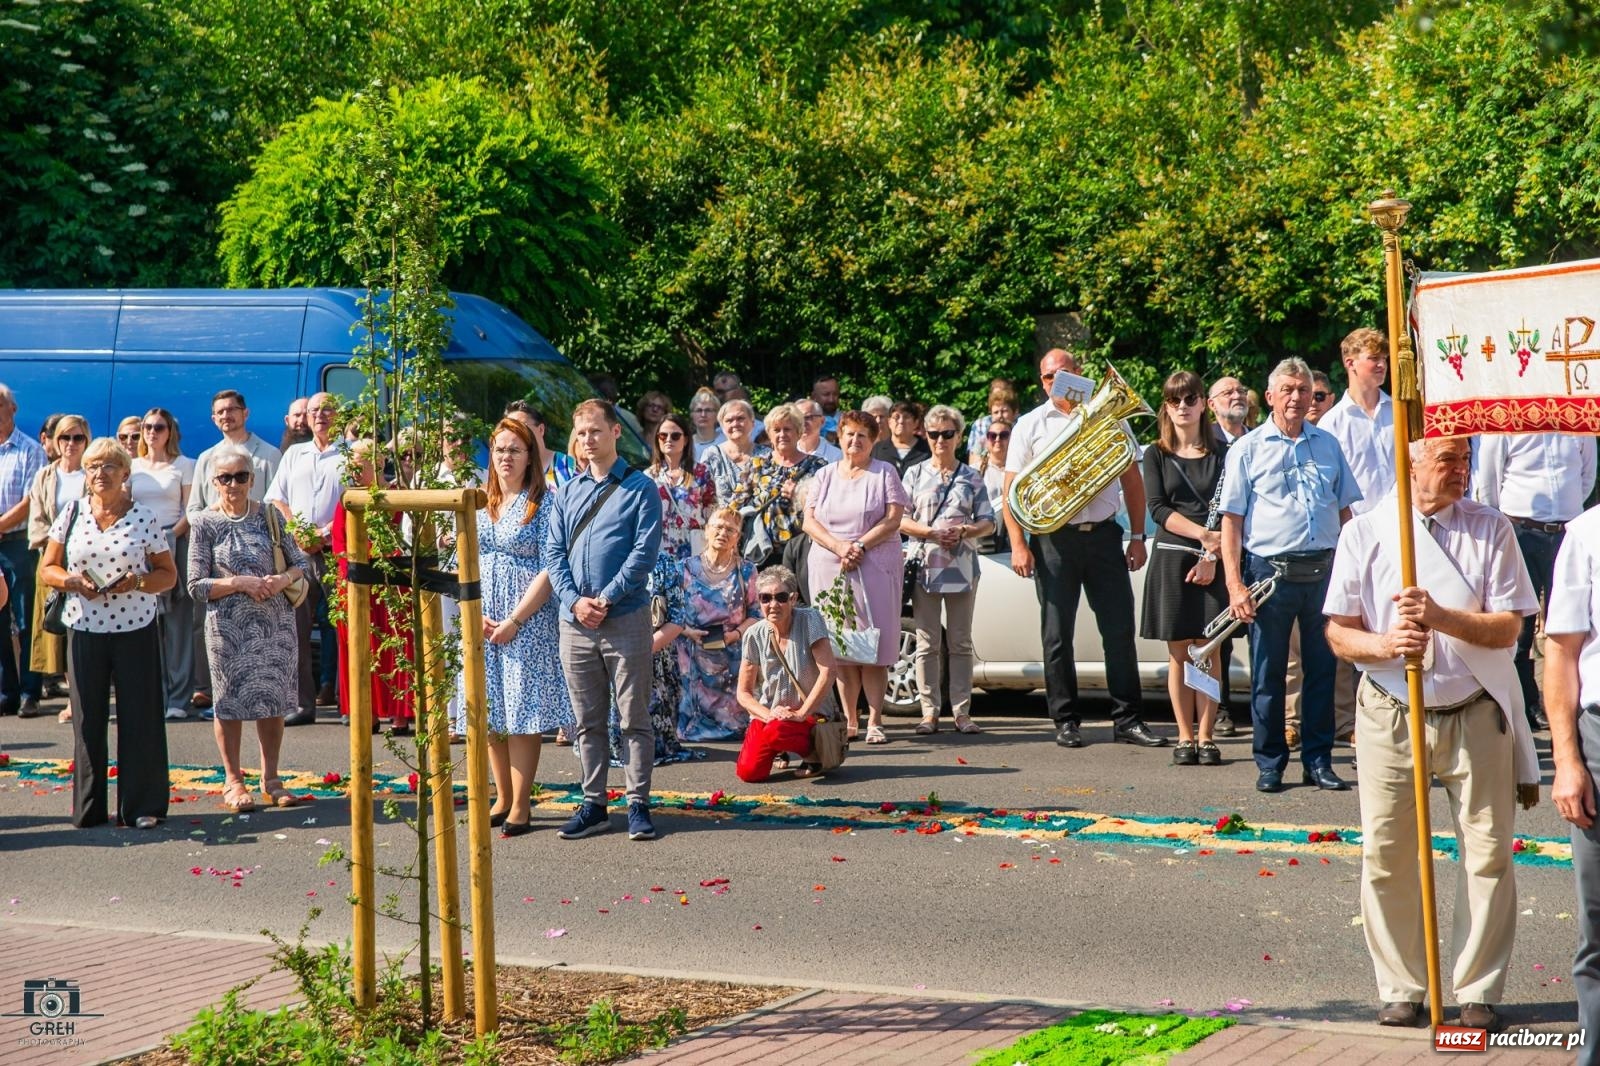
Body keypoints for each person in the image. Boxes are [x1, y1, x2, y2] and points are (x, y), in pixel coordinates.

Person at [1325, 435, 1539, 1033]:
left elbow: (1508, 629)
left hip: (1475, 710)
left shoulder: (1491, 527)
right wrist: (1386, 644)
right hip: (1391, 711)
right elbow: (1339, 633)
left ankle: (1477, 990)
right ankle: (1402, 987)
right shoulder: (1366, 530)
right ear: (1410, 463)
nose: (1459, 471)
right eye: (1445, 460)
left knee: (1489, 855)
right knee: (1388, 854)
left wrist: (1440, 617)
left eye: (1465, 460)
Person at [1002, 350, 1164, 750]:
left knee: (1120, 631)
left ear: (1078, 374)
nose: (1054, 381)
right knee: (1057, 635)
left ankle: (1128, 720)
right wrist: (1019, 544)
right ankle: (1066, 720)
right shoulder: (1029, 425)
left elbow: (1132, 479)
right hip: (1054, 539)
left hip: (1106, 536)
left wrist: (1139, 536)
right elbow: (1011, 492)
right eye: (1046, 377)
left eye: (1062, 373)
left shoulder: (1109, 417)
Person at [1219, 357, 1361, 793]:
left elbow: (1346, 512)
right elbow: (1231, 522)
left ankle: (1318, 761)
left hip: (1322, 570)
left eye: (1305, 390)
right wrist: (1235, 584)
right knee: (1268, 673)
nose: (1297, 398)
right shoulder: (1247, 448)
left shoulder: (1328, 444)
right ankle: (1270, 762)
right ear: (1270, 397)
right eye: (1288, 390)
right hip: (1270, 574)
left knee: (1322, 671)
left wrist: (1355, 571)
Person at [40, 437, 177, 829]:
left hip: (135, 626)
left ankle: (143, 806)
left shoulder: (145, 517)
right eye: (93, 467)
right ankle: (90, 807)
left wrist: (136, 581)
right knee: (87, 719)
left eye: (109, 467)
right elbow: (47, 567)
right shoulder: (72, 512)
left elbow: (168, 576)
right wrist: (70, 581)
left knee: (140, 715)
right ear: (85, 475)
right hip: (84, 626)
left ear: (125, 474)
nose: (100, 474)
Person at [546, 399, 664, 842]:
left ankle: (638, 804)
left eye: (596, 431)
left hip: (626, 617)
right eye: (581, 433)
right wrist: (576, 602)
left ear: (616, 432)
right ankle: (594, 803)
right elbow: (553, 554)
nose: (588, 440)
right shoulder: (567, 492)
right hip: (574, 623)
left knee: (634, 717)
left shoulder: (641, 489)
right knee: (587, 719)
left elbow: (643, 554)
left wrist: (606, 598)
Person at [464, 418, 574, 835]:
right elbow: (466, 557)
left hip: (524, 619)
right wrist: (474, 613)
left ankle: (522, 803)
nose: (506, 457)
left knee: (522, 711)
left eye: (515, 450)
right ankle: (503, 794)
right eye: (499, 450)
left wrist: (514, 620)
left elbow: (551, 567)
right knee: (491, 708)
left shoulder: (545, 502)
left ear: (530, 456)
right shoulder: (481, 501)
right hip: (483, 617)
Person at [188, 442, 311, 811]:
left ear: (252, 480)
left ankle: (271, 778)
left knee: (272, 702)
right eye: (226, 478)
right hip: (228, 628)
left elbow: (300, 562)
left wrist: (279, 579)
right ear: (214, 482)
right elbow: (195, 585)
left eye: (241, 477)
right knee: (228, 703)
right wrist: (240, 582)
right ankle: (233, 780)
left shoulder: (270, 515)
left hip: (274, 624)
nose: (234, 484)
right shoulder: (205, 523)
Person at [1299, 328, 1396, 747]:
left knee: (1395, 625)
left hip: (1400, 533)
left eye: (1384, 358)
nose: (1380, 365)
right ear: (1350, 363)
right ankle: (1350, 722)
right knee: (1351, 627)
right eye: (1372, 358)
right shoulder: (1333, 423)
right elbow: (1332, 490)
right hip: (1355, 538)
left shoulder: (1402, 412)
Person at [1475, 431, 1597, 733]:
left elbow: (1587, 475)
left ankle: (1575, 707)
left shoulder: (1575, 421)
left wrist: (1562, 514)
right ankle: (1524, 704)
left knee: (1571, 627)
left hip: (1566, 533)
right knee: (1519, 629)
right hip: (1521, 531)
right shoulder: (1505, 424)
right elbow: (1489, 482)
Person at [803, 410, 909, 744]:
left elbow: (894, 518)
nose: (855, 440)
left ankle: (875, 720)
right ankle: (851, 720)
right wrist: (838, 546)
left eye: (862, 435)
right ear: (840, 437)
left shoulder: (884, 472)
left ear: (874, 439)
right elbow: (808, 521)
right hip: (829, 565)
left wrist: (859, 546)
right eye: (849, 434)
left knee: (872, 646)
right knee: (842, 648)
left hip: (874, 563)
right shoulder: (825, 475)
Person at [1140, 372, 1228, 766]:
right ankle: (1184, 736)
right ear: (1166, 405)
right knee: (1179, 653)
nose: (1182, 406)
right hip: (1174, 555)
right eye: (1174, 400)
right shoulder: (1154, 453)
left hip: (1215, 557)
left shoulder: (1223, 452)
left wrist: (1211, 554)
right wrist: (1203, 538)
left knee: (1209, 650)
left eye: (1190, 398)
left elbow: (1231, 508)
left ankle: (1207, 737)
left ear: (1203, 404)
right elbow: (1158, 509)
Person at [900, 405, 996, 735]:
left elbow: (989, 522)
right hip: (925, 565)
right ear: (925, 436)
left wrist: (966, 530)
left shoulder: (971, 476)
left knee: (960, 642)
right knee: (926, 643)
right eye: (934, 434)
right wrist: (930, 532)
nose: (940, 440)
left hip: (962, 566)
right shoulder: (913, 473)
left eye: (947, 433)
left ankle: (961, 711)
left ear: (958, 436)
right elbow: (899, 519)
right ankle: (929, 712)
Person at [188, 390, 283, 716]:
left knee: (264, 649)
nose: (226, 416)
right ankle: (208, 691)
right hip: (217, 566)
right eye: (219, 412)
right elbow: (194, 510)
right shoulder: (205, 459)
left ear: (246, 413)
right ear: (213, 419)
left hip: (263, 569)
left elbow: (277, 508)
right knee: (212, 636)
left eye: (232, 409)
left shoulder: (268, 455)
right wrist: (213, 532)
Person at [1545, 496, 1600, 1060]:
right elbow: (1560, 655)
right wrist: (1567, 759)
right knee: (1599, 920)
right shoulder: (1586, 534)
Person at [264, 392, 343, 724]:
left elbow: (357, 498)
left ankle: (349, 704)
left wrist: (323, 533)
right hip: (298, 554)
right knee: (295, 628)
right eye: (315, 410)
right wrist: (298, 531)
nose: (321, 415)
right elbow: (276, 498)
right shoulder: (294, 454)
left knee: (343, 628)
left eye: (327, 409)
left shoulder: (351, 455)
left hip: (339, 550)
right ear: (306, 417)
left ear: (338, 415)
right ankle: (302, 705)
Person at [331, 439, 415, 732]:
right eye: (350, 464)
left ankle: (399, 713)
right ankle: (364, 711)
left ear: (378, 464)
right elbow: (339, 544)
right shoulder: (348, 497)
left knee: (394, 647)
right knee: (358, 649)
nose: (353, 470)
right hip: (355, 582)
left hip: (390, 582)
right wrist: (351, 578)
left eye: (359, 464)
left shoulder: (395, 495)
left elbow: (401, 539)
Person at [735, 566, 840, 781]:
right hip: (772, 715)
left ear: (793, 599)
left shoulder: (809, 619)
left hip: (810, 714)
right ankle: (779, 746)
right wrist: (769, 715)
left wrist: (801, 713)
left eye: (781, 597)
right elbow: (743, 693)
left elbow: (828, 671)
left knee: (778, 732)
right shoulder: (754, 634)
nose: (773, 605)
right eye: (766, 598)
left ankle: (813, 756)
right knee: (748, 773)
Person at [128, 407, 197, 721]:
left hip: (174, 542)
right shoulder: (131, 467)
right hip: (138, 548)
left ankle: (179, 699)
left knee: (178, 625)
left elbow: (190, 510)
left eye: (159, 427)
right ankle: (154, 694)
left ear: (170, 432)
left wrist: (167, 539)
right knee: (145, 622)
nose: (152, 432)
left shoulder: (185, 465)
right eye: (147, 427)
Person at [609, 551, 701, 767]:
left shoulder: (663, 561)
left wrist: (640, 650)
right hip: (611, 650)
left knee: (648, 744)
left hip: (653, 654)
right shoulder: (605, 554)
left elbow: (677, 619)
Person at [676, 507, 759, 741]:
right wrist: (686, 630)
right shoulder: (684, 568)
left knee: (733, 726)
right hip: (691, 651)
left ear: (738, 538)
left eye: (730, 529)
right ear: (707, 530)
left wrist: (736, 634)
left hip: (732, 652)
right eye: (718, 527)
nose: (723, 532)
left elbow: (756, 613)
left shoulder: (746, 570)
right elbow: (671, 611)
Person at [26, 414, 88, 720]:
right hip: (53, 560)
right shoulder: (45, 476)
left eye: (78, 438)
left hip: (86, 562)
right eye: (65, 438)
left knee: (82, 632)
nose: (71, 444)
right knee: (56, 630)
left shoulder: (94, 474)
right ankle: (65, 694)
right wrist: (55, 546)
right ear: (55, 441)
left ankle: (74, 702)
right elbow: (37, 520)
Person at [728, 404, 826, 568]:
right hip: (762, 550)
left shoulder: (818, 466)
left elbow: (826, 508)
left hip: (802, 549)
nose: (782, 435)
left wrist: (798, 495)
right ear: (769, 434)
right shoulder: (757, 464)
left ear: (799, 432)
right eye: (776, 430)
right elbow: (735, 505)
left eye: (787, 429)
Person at [0, 386, 48, 717]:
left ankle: (31, 691)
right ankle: (7, 691)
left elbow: (31, 500)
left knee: (26, 616)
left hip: (17, 542)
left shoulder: (30, 450)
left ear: (13, 408)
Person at [648, 412, 715, 562]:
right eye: (663, 436)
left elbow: (711, 512)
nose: (669, 440)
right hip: (659, 548)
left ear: (685, 440)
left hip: (694, 546)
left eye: (675, 436)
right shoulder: (648, 476)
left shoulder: (702, 472)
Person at [702, 399, 769, 505]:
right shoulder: (711, 455)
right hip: (722, 519)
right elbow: (703, 496)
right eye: (729, 420)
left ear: (752, 423)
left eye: (740, 418)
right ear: (722, 427)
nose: (735, 424)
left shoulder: (767, 455)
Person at [502, 400, 580, 488]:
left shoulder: (569, 468)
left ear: (541, 430)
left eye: (523, 427)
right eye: (511, 429)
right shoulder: (506, 471)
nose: (516, 435)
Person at [976, 415, 1012, 554]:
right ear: (986, 440)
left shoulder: (1022, 470)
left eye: (1003, 435)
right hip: (986, 542)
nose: (997, 439)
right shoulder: (974, 471)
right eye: (992, 435)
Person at [871, 401, 931, 478]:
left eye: (906, 417)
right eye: (896, 417)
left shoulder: (928, 450)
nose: (901, 421)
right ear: (889, 422)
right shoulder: (877, 450)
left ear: (916, 422)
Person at [965, 379, 1019, 466]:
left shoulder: (1023, 425)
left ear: (1015, 412)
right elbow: (973, 461)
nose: (1000, 416)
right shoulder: (981, 426)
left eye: (1004, 411)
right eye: (996, 412)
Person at [1209, 378, 1249, 446]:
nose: (1237, 396)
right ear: (1212, 405)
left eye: (1241, 391)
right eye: (1228, 393)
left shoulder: (1261, 438)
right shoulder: (1204, 441)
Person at [687, 388, 724, 459]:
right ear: (692, 415)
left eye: (708, 410)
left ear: (717, 414)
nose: (703, 415)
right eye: (698, 410)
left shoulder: (727, 440)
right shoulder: (686, 444)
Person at [811, 373, 842, 441]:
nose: (831, 399)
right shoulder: (806, 425)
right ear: (814, 397)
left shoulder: (849, 421)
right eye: (826, 394)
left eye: (835, 394)